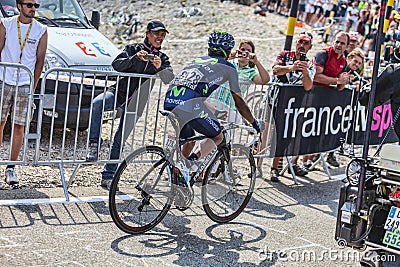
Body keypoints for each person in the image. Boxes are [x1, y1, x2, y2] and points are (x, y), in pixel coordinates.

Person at [85, 20, 174, 190]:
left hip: (136, 104)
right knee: (97, 103)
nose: (159, 38)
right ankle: (93, 146)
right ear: (147, 34)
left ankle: (108, 176)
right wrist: (134, 58)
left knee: (119, 140)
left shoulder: (162, 58)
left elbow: (169, 78)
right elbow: (116, 65)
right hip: (117, 93)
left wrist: (160, 68)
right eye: (156, 34)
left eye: (162, 35)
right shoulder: (133, 48)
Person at [163, 30, 262, 174]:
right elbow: (239, 102)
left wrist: (216, 112)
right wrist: (254, 122)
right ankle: (188, 164)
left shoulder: (197, 60)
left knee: (190, 140)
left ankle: (179, 178)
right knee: (218, 136)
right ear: (229, 52)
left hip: (170, 100)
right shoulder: (229, 68)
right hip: (190, 105)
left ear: (209, 49)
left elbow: (194, 92)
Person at [0, 0, 48, 189]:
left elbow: (40, 61)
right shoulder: (6, 24)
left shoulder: (41, 29)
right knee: (0, 122)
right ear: (19, 6)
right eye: (29, 4)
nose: (33, 8)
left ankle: (11, 167)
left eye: (36, 5)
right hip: (4, 79)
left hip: (25, 84)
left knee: (19, 126)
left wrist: (33, 86)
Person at [263, 31, 316, 182]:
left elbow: (308, 86)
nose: (302, 45)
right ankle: (257, 166)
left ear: (310, 46)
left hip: (293, 104)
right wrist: (292, 68)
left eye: (305, 43)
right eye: (300, 42)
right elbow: (275, 69)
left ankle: (274, 168)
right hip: (274, 99)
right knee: (264, 134)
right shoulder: (285, 55)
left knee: (283, 136)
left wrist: (305, 72)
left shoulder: (310, 63)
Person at [313, 31, 354, 167]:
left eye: (342, 43)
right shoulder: (323, 54)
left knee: (317, 131)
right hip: (309, 97)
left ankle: (310, 160)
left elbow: (340, 87)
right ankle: (295, 163)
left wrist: (344, 80)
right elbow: (316, 77)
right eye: (337, 41)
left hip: (325, 101)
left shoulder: (343, 61)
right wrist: (337, 80)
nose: (338, 45)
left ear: (347, 46)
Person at [207, 39, 270, 124]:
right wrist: (227, 58)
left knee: (225, 136)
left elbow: (265, 80)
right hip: (212, 103)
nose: (245, 52)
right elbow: (211, 68)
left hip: (230, 108)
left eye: (248, 51)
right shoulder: (228, 63)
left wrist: (256, 62)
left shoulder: (250, 72)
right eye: (243, 49)